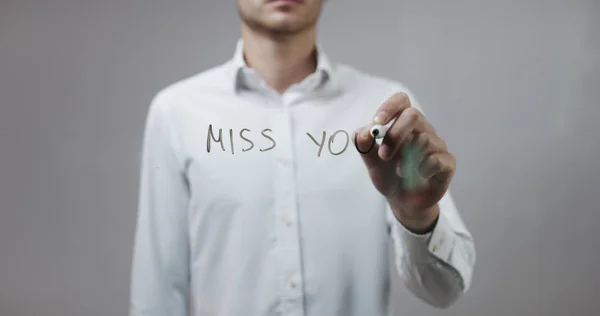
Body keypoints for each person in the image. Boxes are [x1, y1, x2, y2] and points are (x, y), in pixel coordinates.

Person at [129, 0, 476, 315]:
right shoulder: (176, 112)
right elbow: (157, 294)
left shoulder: (384, 110)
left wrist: (417, 218)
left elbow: (444, 290)